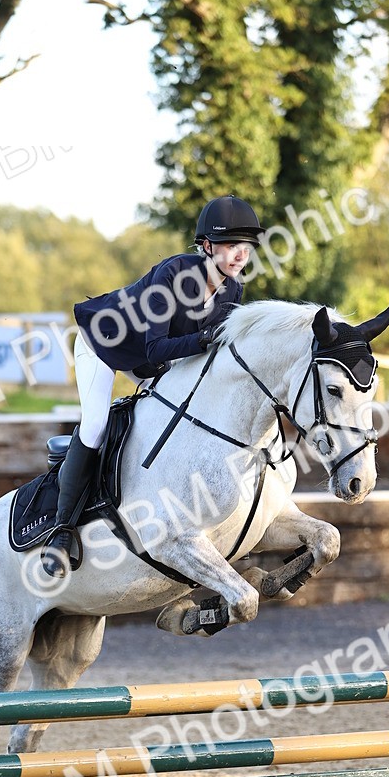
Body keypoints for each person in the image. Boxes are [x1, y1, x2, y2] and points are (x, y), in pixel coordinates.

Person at [44, 195, 265, 578]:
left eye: (244, 246)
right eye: (231, 246)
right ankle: (62, 529)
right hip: (103, 342)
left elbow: (207, 354)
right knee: (96, 425)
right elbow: (157, 346)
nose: (239, 255)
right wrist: (204, 339)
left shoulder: (233, 290)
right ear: (207, 246)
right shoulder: (174, 277)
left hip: (148, 360)